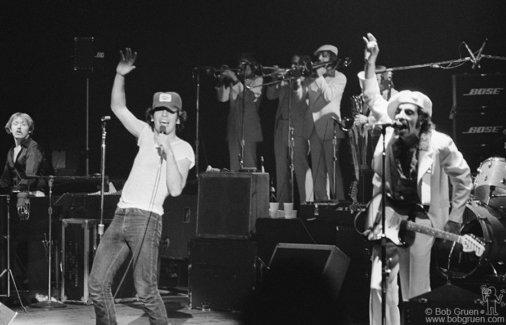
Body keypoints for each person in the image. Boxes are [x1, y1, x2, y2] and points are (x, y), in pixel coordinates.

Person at [362, 33, 473, 325]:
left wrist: (455, 218)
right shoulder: (389, 136)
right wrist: (370, 63)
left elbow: (464, 179)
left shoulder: (440, 143)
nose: (400, 116)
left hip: (421, 222)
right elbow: (374, 99)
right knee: (379, 285)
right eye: (398, 111)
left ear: (421, 119)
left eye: (408, 112)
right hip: (387, 218)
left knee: (415, 290)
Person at [88, 48, 195, 325]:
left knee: (145, 290)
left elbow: (175, 189)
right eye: (159, 110)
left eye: (170, 112)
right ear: (152, 114)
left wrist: (168, 152)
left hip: (146, 219)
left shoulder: (183, 148)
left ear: (178, 117)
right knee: (97, 286)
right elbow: (118, 107)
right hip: (120, 215)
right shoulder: (146, 133)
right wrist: (119, 75)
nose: (163, 116)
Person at [294, 45, 347, 202]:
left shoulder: (340, 77)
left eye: (324, 56)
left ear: (332, 58)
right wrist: (298, 85)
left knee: (333, 170)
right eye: (319, 56)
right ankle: (321, 205)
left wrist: (319, 77)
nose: (320, 59)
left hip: (330, 128)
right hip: (313, 128)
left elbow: (329, 95)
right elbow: (300, 100)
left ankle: (339, 203)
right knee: (318, 171)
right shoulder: (312, 77)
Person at [266, 54, 313, 205]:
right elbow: (270, 95)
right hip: (281, 128)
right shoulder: (284, 80)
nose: (295, 66)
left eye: (298, 64)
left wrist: (296, 80)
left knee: (301, 168)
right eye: (293, 64)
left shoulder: (307, 81)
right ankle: (282, 209)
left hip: (299, 129)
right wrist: (275, 79)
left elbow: (298, 97)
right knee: (281, 170)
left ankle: (307, 205)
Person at [216, 53, 263, 171]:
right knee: (234, 166)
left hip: (249, 129)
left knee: (249, 165)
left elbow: (249, 98)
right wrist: (222, 81)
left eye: (245, 65)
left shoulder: (257, 80)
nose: (242, 68)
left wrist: (234, 79)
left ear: (252, 66)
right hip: (233, 129)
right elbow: (222, 98)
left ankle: (253, 190)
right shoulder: (235, 82)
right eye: (240, 65)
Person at [0, 112, 51, 196]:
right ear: (10, 129)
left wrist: (15, 190)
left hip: (34, 195)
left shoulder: (33, 148)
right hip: (17, 195)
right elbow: (5, 179)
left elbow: (30, 177)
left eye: (23, 124)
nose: (19, 127)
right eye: (15, 124)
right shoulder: (11, 151)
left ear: (29, 129)